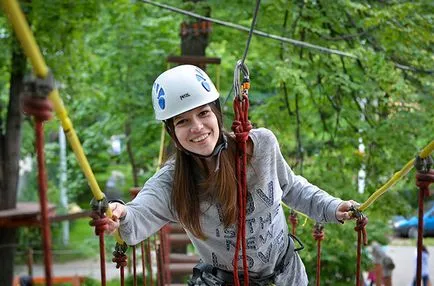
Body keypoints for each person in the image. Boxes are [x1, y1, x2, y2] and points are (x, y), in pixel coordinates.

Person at [92, 65, 358, 285]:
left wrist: (332, 207)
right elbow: (138, 215)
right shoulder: (172, 181)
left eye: (203, 113)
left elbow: (291, 187)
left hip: (288, 276)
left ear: (217, 113)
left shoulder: (261, 147)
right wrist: (120, 213)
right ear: (172, 131)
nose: (197, 127)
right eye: (182, 121)